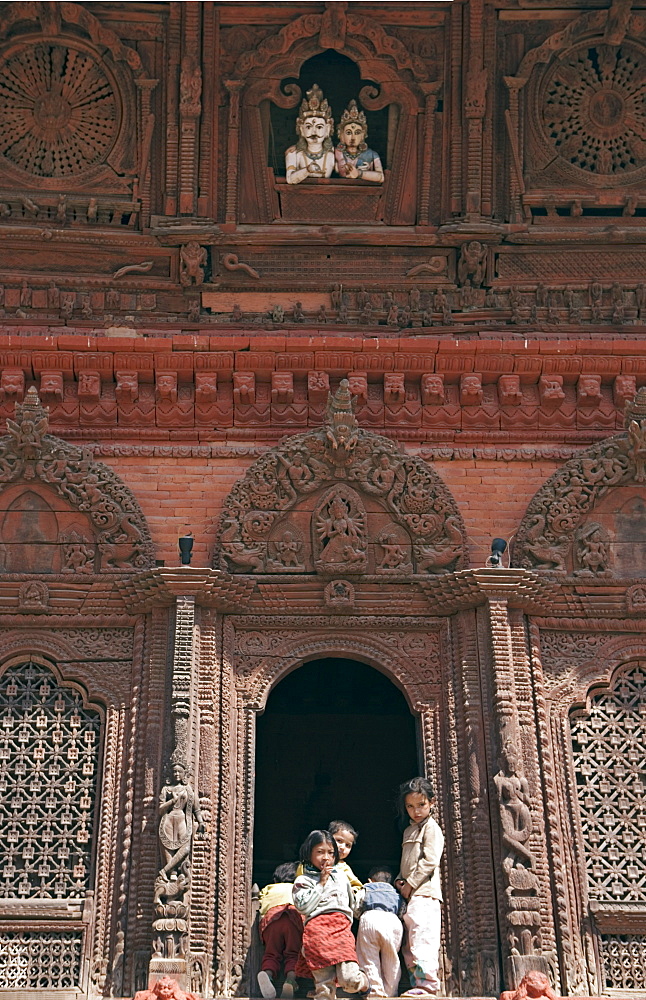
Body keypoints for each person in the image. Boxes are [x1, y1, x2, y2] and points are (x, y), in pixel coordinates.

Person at [293, 830, 369, 1000]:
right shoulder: (303, 881)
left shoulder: (342, 877)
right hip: (316, 936)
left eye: (330, 853)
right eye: (320, 852)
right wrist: (321, 883)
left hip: (340, 931)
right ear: (309, 853)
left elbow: (351, 905)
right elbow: (304, 906)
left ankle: (364, 983)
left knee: (349, 980)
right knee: (324, 990)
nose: (326, 858)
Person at [394, 777, 444, 997]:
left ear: (432, 803)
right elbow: (406, 862)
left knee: (423, 939)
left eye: (421, 805)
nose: (416, 811)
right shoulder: (408, 831)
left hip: (424, 893)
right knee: (410, 943)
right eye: (410, 806)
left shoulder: (431, 828)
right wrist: (399, 880)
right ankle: (417, 985)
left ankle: (428, 986)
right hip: (410, 895)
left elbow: (430, 860)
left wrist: (411, 883)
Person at [355, 867, 404, 998]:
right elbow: (402, 910)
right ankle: (391, 993)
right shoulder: (396, 892)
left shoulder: (367, 888)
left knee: (369, 958)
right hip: (393, 920)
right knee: (392, 958)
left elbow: (356, 905)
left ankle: (374, 993)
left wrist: (359, 916)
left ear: (370, 880)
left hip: (371, 918)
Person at [258, 862, 302, 1000]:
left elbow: (259, 901)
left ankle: (268, 975)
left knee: (271, 953)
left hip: (272, 920)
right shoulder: (298, 888)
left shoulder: (269, 888)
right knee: (293, 954)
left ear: (276, 879)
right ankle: (290, 980)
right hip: (293, 919)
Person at [334, 100, 384, 183]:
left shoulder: (372, 154)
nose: (353, 137)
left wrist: (359, 173)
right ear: (341, 135)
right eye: (349, 133)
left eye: (357, 133)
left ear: (363, 135)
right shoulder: (336, 154)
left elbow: (381, 177)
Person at [328, 820, 362, 889]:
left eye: (348, 845)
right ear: (327, 838)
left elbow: (358, 886)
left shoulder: (344, 868)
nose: (343, 847)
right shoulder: (312, 861)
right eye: (339, 841)